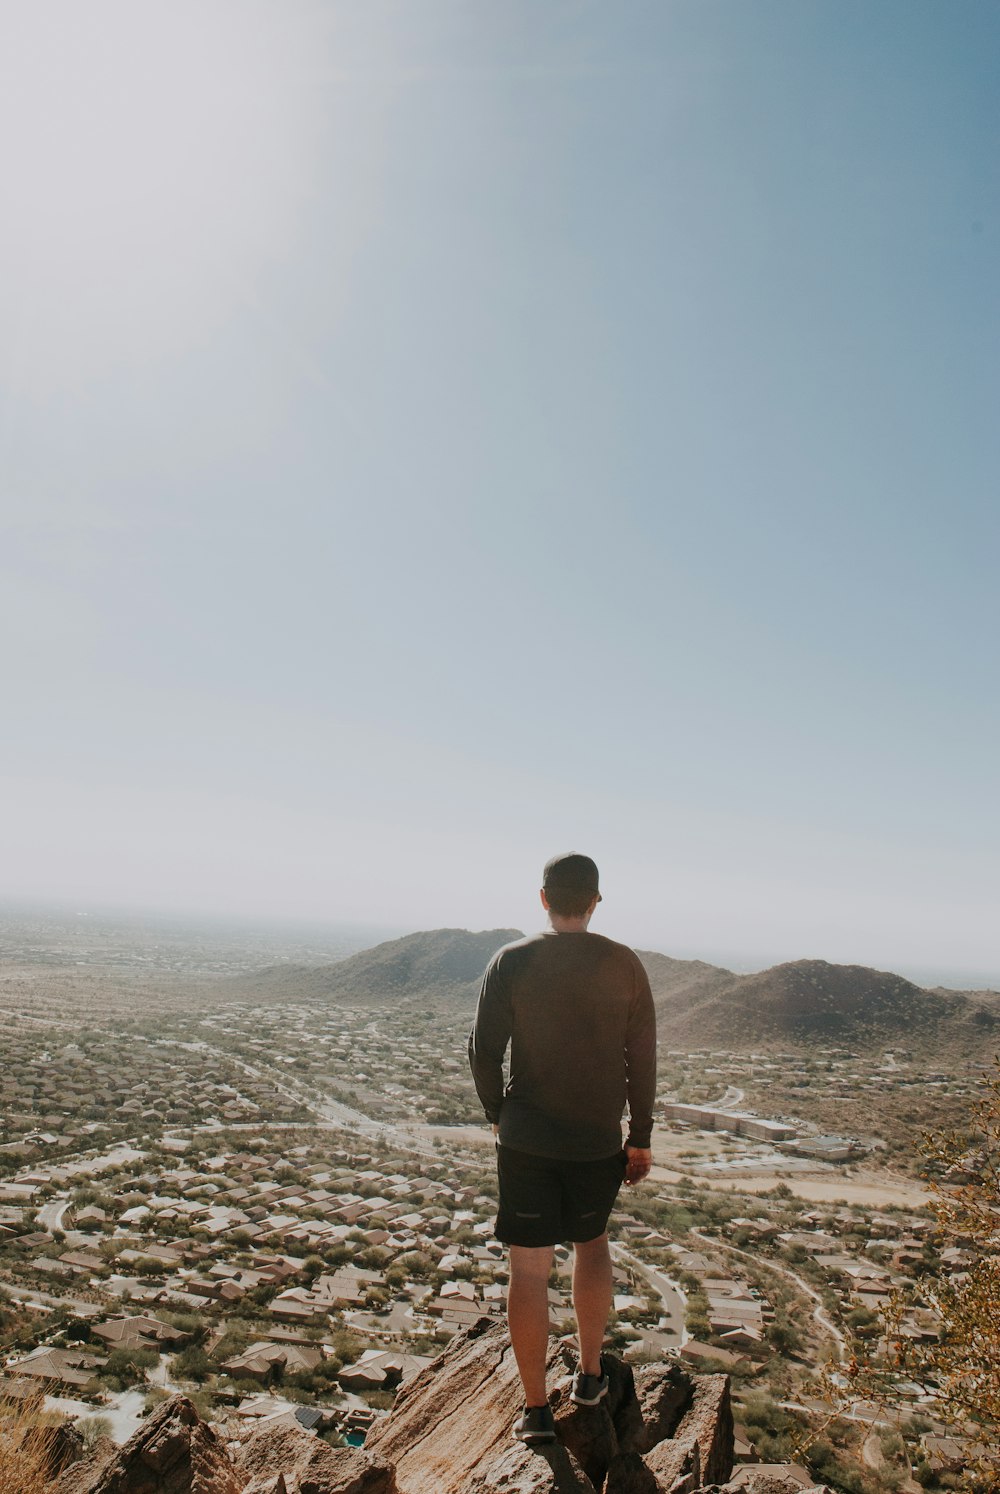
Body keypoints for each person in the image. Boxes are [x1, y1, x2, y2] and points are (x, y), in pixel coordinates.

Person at [468, 853, 656, 1445]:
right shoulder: (623, 963)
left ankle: (534, 1409)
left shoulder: (512, 961)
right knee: (591, 1244)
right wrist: (640, 1135)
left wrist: (502, 1116)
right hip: (596, 1139)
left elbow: (482, 1052)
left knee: (528, 1270)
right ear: (596, 900)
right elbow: (642, 1057)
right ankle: (592, 1375)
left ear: (544, 898)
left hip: (527, 1139)